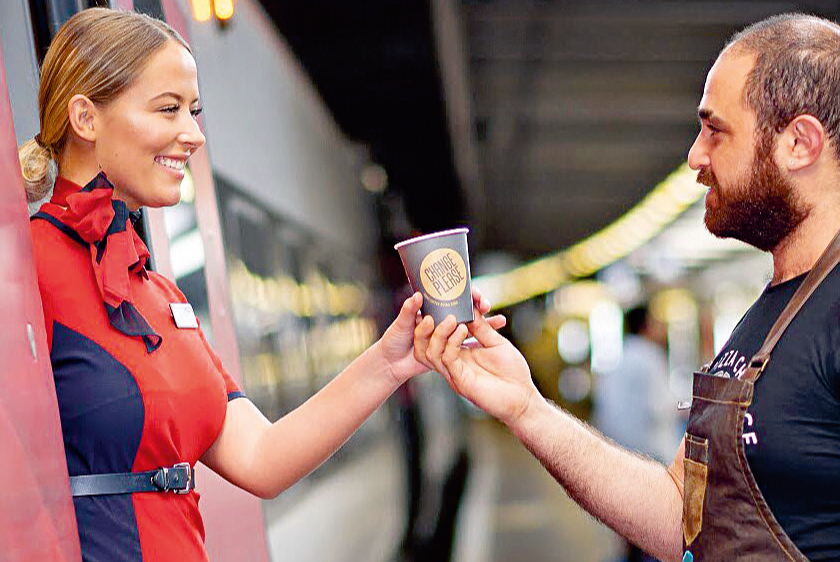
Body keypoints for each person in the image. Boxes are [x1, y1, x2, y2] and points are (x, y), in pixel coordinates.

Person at [19, 8, 503, 562]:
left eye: (194, 111)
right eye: (168, 109)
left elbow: (262, 458)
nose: (194, 135)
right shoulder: (25, 270)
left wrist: (393, 360)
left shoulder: (163, 297)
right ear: (85, 117)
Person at [415, 13, 840, 562]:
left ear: (800, 142)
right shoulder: (775, 310)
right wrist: (526, 407)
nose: (695, 154)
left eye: (715, 130)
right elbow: (681, 519)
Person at [593, 305, 677, 562]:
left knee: (628, 528)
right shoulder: (651, 357)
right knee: (653, 533)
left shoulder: (620, 358)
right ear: (646, 325)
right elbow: (661, 406)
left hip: (619, 452)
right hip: (651, 457)